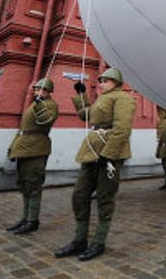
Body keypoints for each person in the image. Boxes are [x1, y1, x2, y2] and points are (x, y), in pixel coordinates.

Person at [54, 68, 136, 261]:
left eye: (106, 80)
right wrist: (81, 94)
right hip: (91, 152)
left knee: (104, 198)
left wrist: (108, 155)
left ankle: (98, 242)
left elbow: (122, 129)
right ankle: (80, 240)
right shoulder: (103, 98)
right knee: (79, 196)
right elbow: (87, 115)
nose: (101, 82)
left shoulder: (123, 98)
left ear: (116, 82)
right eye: (100, 80)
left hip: (108, 154)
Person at [6, 78, 59, 235]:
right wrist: (12, 147)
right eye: (36, 89)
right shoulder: (34, 104)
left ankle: (32, 220)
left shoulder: (50, 105)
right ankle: (25, 218)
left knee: (33, 185)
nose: (38, 92)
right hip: (23, 147)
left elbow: (45, 120)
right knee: (24, 185)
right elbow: (22, 129)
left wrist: (38, 104)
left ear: (48, 91)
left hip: (36, 149)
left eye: (41, 89)